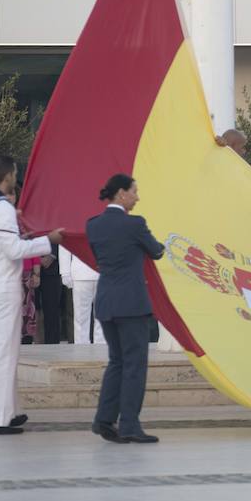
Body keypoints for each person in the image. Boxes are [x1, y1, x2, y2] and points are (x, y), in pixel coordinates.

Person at [0, 156, 63, 434]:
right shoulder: (1, 207)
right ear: (8, 175)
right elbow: (13, 251)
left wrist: (24, 235)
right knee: (3, 353)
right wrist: (48, 241)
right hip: (2, 284)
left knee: (1, 350)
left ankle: (9, 410)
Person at [85, 174, 165, 444]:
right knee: (134, 365)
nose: (137, 197)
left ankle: (104, 419)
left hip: (106, 301)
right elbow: (156, 251)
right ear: (121, 193)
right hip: (131, 304)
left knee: (117, 362)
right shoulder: (134, 224)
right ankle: (129, 424)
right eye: (134, 191)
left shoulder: (93, 225)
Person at [59, 244, 104, 345]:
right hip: (82, 272)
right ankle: (81, 348)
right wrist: (65, 272)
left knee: (101, 317)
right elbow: (65, 244)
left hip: (101, 272)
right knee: (81, 318)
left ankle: (100, 347)